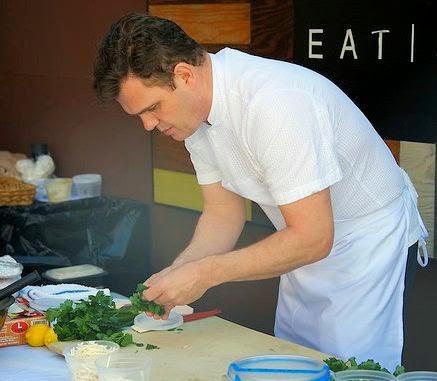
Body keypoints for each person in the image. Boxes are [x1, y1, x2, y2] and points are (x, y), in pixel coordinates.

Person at [93, 13, 428, 370]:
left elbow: (315, 237)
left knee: (351, 370)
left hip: (366, 242)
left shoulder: (276, 103)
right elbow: (223, 213)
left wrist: (205, 274)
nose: (148, 125)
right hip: (300, 238)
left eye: (153, 108)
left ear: (184, 75)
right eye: (139, 116)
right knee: (294, 361)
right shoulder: (194, 118)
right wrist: (177, 276)